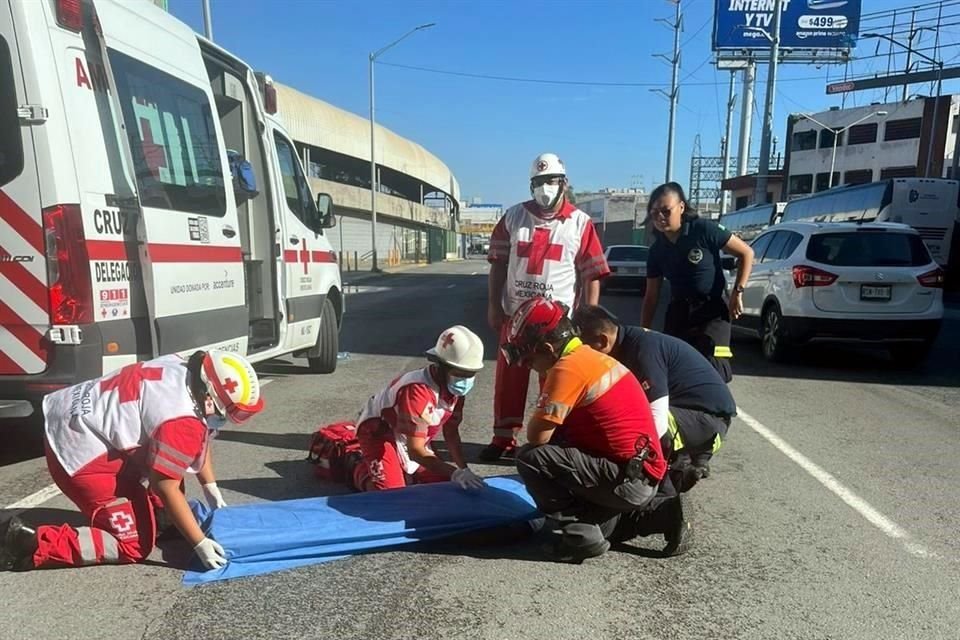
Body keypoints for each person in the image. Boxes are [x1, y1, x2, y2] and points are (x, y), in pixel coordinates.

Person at [0, 351, 265, 572]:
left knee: (168, 474)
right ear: (208, 396)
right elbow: (166, 485)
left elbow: (199, 441)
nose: (226, 417)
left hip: (75, 415)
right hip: (81, 453)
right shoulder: (183, 419)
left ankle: (159, 518)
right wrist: (199, 543)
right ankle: (25, 542)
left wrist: (211, 489)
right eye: (226, 410)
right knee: (132, 544)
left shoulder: (180, 366)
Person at [503, 297, 681, 563]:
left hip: (627, 479)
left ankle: (578, 536)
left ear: (548, 348)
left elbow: (536, 436)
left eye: (529, 360)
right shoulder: (591, 358)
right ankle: (661, 515)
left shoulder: (567, 369)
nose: (528, 367)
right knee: (604, 529)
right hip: (640, 473)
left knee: (531, 458)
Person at [482, 153, 610, 461]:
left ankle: (555, 439)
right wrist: (494, 305)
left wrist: (589, 317)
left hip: (559, 323)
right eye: (538, 182)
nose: (545, 187)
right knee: (508, 380)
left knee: (557, 380)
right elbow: (498, 264)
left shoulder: (580, 223)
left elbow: (592, 274)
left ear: (564, 183)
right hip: (515, 316)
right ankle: (504, 438)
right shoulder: (513, 218)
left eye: (551, 180)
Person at [574, 304, 736, 492]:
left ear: (602, 341)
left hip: (710, 421)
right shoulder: (625, 341)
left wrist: (625, 460)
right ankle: (681, 470)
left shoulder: (642, 350)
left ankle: (661, 496)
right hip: (689, 412)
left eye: (586, 350)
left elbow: (656, 418)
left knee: (635, 425)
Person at [641, 182, 754, 382]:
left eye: (666, 211)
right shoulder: (657, 250)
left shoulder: (703, 230)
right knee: (674, 367)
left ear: (681, 207)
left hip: (712, 311)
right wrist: (644, 331)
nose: (660, 217)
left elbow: (746, 252)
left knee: (713, 367)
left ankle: (716, 411)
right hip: (679, 311)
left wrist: (738, 292)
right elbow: (651, 296)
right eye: (654, 212)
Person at [352, 325, 487, 492]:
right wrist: (456, 473)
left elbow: (451, 432)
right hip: (379, 432)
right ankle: (360, 467)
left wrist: (464, 470)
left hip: (411, 437)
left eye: (471, 374)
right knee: (391, 495)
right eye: (461, 374)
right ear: (442, 367)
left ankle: (399, 468)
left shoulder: (454, 389)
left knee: (448, 486)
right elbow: (416, 451)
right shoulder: (417, 391)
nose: (466, 380)